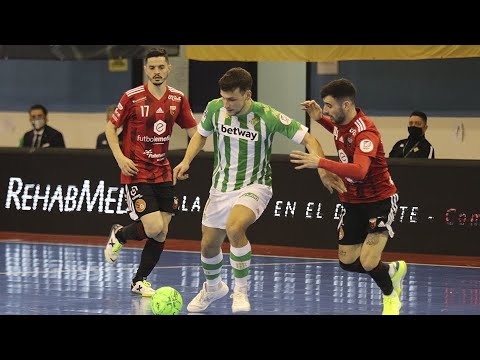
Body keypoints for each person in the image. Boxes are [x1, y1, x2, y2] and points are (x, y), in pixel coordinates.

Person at [173, 67, 346, 313]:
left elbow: (309, 139)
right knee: (208, 246)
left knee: (234, 227)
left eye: (232, 99)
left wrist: (321, 168)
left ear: (247, 94)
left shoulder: (267, 116)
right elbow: (201, 136)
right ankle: (213, 288)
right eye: (224, 98)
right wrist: (186, 160)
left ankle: (240, 292)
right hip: (220, 187)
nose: (227, 104)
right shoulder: (214, 109)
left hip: (255, 185)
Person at [289, 78, 407, 315]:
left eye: (329, 106)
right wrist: (319, 118)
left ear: (346, 105)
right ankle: (392, 271)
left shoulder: (366, 133)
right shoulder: (343, 125)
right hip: (352, 201)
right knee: (346, 262)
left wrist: (320, 162)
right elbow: (338, 130)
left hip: (379, 201)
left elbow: (360, 171)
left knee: (369, 261)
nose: (326, 110)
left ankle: (391, 297)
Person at [104, 47, 197, 296]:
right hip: (136, 171)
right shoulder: (132, 97)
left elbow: (194, 133)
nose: (157, 72)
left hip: (164, 171)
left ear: (169, 68)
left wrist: (187, 160)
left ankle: (139, 280)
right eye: (152, 67)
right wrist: (120, 158)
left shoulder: (178, 98)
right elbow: (110, 129)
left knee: (162, 231)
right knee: (154, 227)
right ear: (146, 69)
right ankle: (121, 235)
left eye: (161, 67)